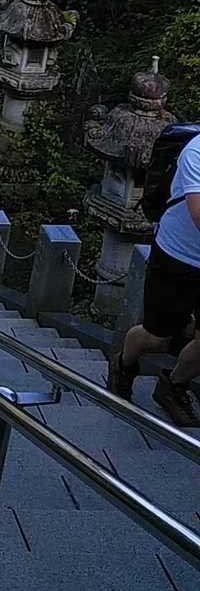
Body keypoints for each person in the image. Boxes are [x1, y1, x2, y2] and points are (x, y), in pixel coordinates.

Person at [107, 132, 200, 426]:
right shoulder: (196, 151)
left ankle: (173, 386)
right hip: (178, 257)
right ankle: (123, 364)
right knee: (157, 337)